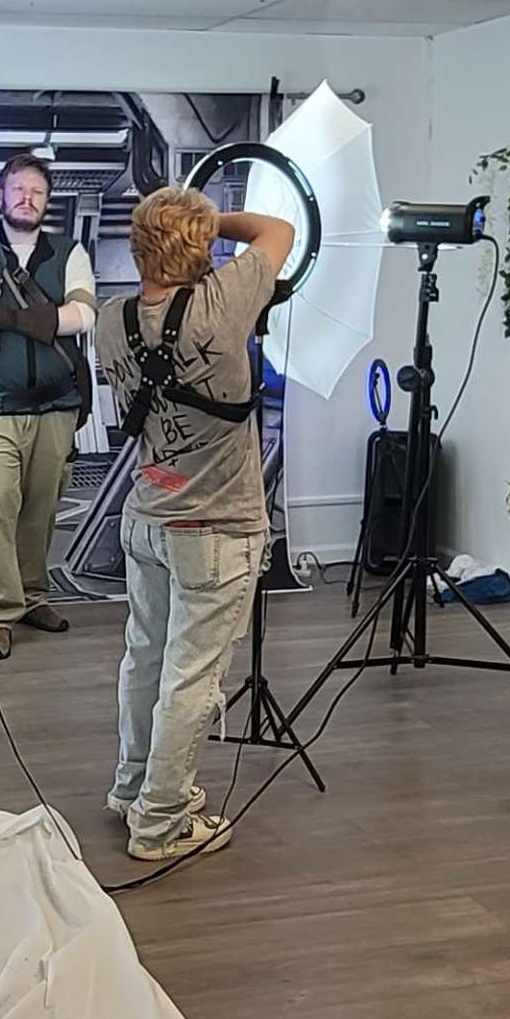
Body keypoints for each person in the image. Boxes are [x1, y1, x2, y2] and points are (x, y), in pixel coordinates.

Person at [92, 183, 293, 864]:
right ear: (203, 247)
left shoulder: (110, 319)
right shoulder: (222, 302)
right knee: (192, 678)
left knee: (144, 659)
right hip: (217, 528)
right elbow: (278, 229)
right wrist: (212, 221)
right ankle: (163, 822)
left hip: (148, 514)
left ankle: (133, 787)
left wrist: (172, 224)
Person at [0, 153, 98, 661]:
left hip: (55, 409)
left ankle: (34, 597)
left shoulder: (68, 253)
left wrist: (10, 318)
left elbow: (82, 314)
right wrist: (35, 317)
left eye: (37, 191)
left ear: (47, 199)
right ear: (2, 195)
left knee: (40, 512)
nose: (27, 199)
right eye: (18, 190)